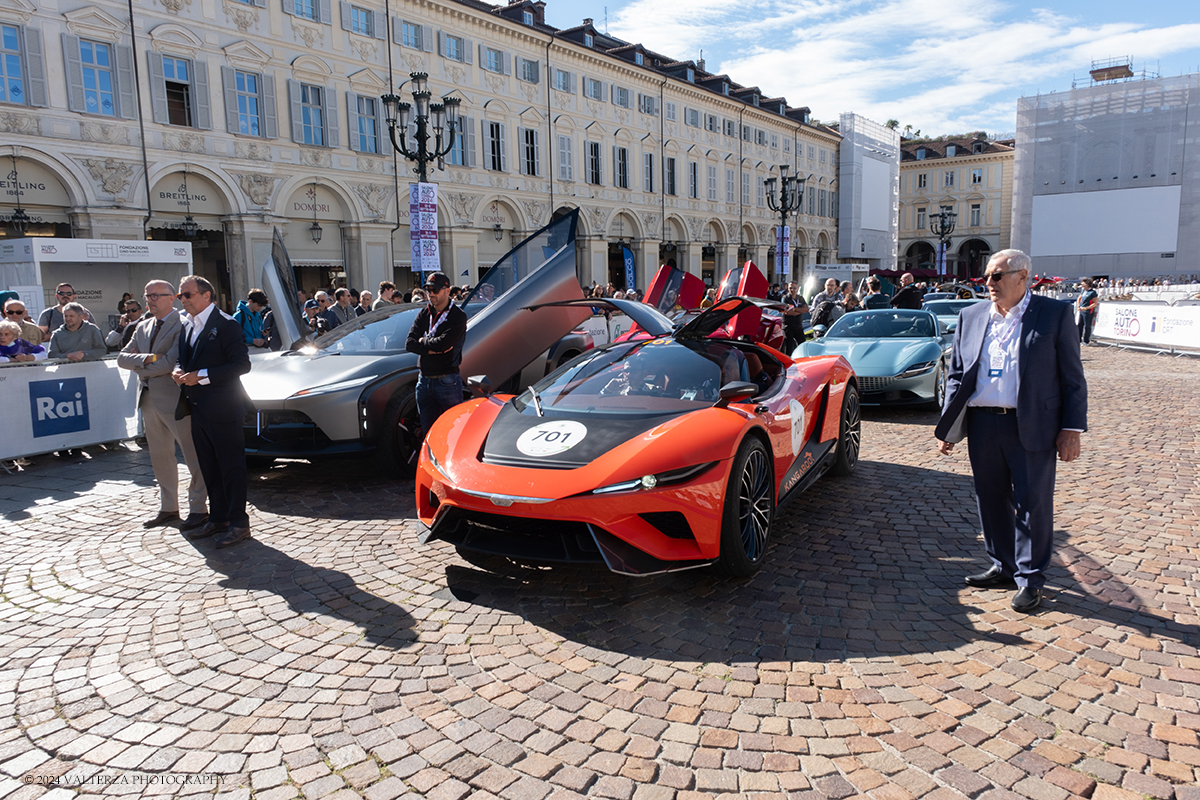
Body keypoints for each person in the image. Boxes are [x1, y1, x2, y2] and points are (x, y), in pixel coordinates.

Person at [935, 249, 1087, 614]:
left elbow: (1072, 378)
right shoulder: (971, 316)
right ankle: (1003, 566)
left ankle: (1030, 578)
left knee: (1032, 502)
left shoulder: (1053, 314)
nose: (989, 284)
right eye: (986, 277)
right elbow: (957, 375)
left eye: (997, 276)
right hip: (984, 423)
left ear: (1024, 277)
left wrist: (1071, 429)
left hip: (1033, 424)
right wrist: (949, 426)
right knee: (990, 498)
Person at [118, 281, 209, 531]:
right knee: (160, 457)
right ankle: (168, 507)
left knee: (193, 455)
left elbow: (171, 363)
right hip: (148, 399)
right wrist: (148, 358)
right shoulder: (142, 326)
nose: (150, 300)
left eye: (157, 295)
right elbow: (122, 358)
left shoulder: (183, 323)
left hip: (177, 399)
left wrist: (142, 368)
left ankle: (199, 507)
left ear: (173, 298)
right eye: (148, 295)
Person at [172, 275, 253, 548]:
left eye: (188, 295)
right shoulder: (187, 325)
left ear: (207, 295)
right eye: (181, 295)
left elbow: (241, 365)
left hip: (224, 407)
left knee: (231, 467)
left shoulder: (226, 324)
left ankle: (239, 522)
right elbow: (185, 358)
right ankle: (218, 517)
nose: (182, 300)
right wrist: (180, 371)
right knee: (209, 466)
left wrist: (201, 376)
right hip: (197, 407)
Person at [406, 272, 468, 434]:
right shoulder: (424, 313)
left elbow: (444, 344)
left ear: (447, 291)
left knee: (453, 430)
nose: (431, 294)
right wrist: (431, 346)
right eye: (428, 290)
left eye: (435, 290)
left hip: (447, 381)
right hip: (424, 380)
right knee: (428, 432)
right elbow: (410, 344)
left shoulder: (457, 316)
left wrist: (423, 341)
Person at [780, 282, 809, 353]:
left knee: (803, 345)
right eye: (790, 288)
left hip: (798, 326)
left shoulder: (800, 298)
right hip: (788, 327)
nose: (792, 289)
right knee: (789, 348)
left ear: (798, 288)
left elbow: (807, 309)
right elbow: (788, 312)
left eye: (794, 288)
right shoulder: (785, 298)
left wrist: (794, 309)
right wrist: (801, 310)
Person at [1076, 278, 1098, 345]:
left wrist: (1086, 308)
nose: (1081, 284)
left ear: (1087, 284)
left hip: (1088, 312)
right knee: (1079, 325)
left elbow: (1095, 303)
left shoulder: (1093, 292)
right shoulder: (1083, 291)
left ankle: (1086, 341)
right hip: (1081, 311)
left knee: (1087, 326)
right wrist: (1078, 306)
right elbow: (1079, 298)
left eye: (1083, 283)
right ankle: (1078, 340)